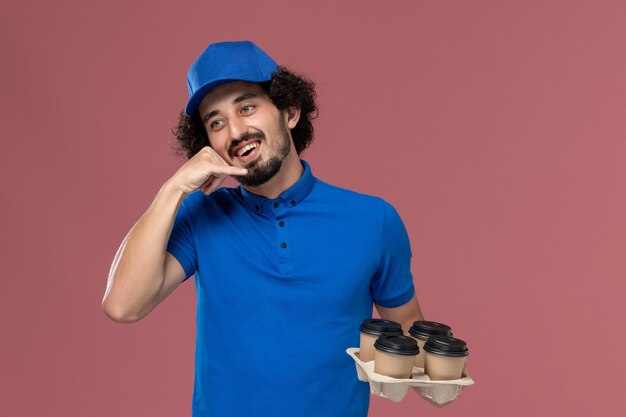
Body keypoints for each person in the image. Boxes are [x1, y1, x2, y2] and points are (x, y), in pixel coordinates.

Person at [102, 40, 424, 417]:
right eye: (216, 122)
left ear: (289, 111)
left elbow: (407, 333)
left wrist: (438, 368)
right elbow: (123, 306)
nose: (236, 131)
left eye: (247, 107)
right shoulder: (202, 215)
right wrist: (173, 188)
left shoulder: (374, 220)